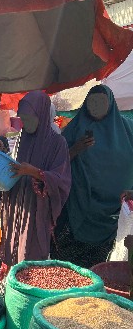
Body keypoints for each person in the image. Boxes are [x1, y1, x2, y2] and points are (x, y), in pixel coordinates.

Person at [51, 84, 133, 268]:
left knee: (103, 268)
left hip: (113, 214)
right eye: (92, 102)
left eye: (101, 102)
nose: (96, 106)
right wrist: (75, 149)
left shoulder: (128, 130)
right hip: (77, 210)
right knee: (72, 270)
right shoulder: (73, 130)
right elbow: (55, 167)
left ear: (111, 103)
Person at [0, 90, 71, 266]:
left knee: (32, 254)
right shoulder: (22, 138)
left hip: (37, 209)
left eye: (31, 118)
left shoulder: (57, 143)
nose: (26, 123)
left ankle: (28, 290)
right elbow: (14, 167)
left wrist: (34, 172)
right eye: (23, 119)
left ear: (43, 115)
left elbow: (62, 180)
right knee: (14, 247)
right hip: (17, 204)